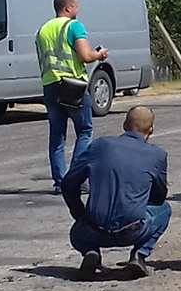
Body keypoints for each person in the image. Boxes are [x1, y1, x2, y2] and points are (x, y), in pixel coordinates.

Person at [62, 105, 170, 279]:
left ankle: (91, 252)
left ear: (124, 125)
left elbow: (68, 184)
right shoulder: (157, 155)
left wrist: (80, 215)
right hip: (133, 230)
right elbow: (159, 197)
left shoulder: (99, 146)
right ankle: (139, 255)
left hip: (91, 230)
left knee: (77, 232)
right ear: (151, 130)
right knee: (165, 209)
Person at [36, 0, 109, 192]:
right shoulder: (73, 26)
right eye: (76, 7)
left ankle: (60, 181)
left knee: (57, 136)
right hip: (72, 84)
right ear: (68, 8)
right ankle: (76, 180)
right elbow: (85, 56)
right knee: (84, 131)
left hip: (50, 84)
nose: (78, 11)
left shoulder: (43, 30)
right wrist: (99, 54)